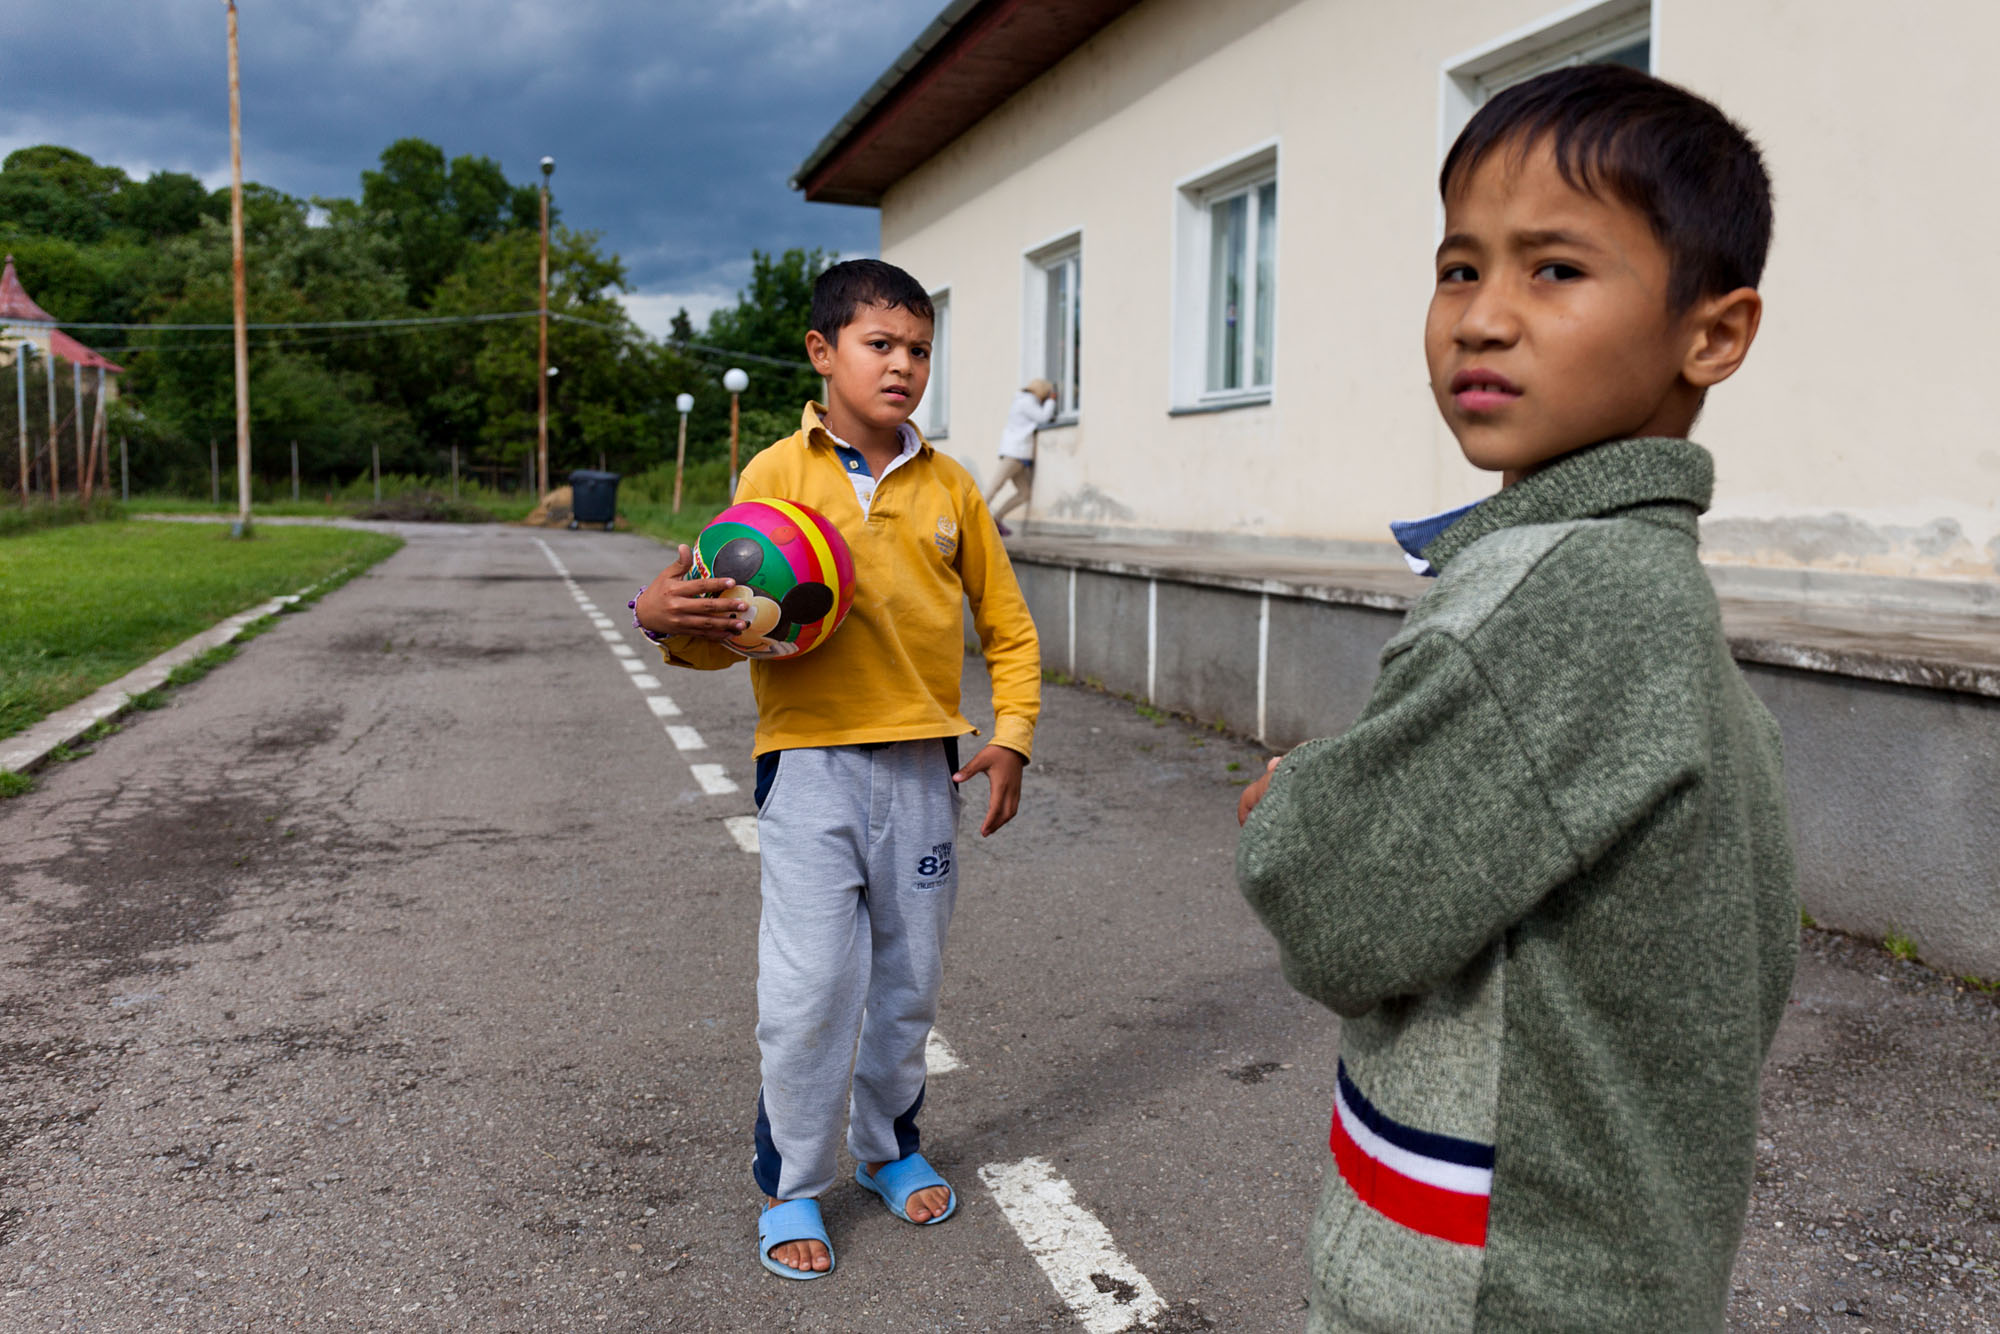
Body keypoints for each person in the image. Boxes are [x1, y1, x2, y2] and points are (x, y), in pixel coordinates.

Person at [1234, 65, 1798, 1332]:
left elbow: (1340, 907)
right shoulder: (1639, 585)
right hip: (1595, 1261)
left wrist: (1296, 801)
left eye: (1552, 269)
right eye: (1457, 268)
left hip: (1489, 1281)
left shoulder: (1568, 590)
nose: (1480, 319)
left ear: (1710, 332)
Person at [631, 259, 1040, 1281]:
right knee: (811, 987)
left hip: (921, 773)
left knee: (905, 983)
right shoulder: (776, 474)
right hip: (806, 767)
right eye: (880, 345)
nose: (902, 365)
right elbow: (719, 620)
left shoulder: (949, 488)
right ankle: (791, 1182)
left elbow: (1008, 627)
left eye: (918, 350)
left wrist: (1013, 731)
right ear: (822, 353)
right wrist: (658, 619)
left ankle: (886, 1145)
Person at [985, 377, 1056, 536]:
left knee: (1024, 493)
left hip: (1019, 455)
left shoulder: (1023, 400)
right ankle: (972, 517)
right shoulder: (1027, 401)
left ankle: (996, 520)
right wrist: (1052, 401)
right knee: (996, 485)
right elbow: (1043, 417)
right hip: (1014, 453)